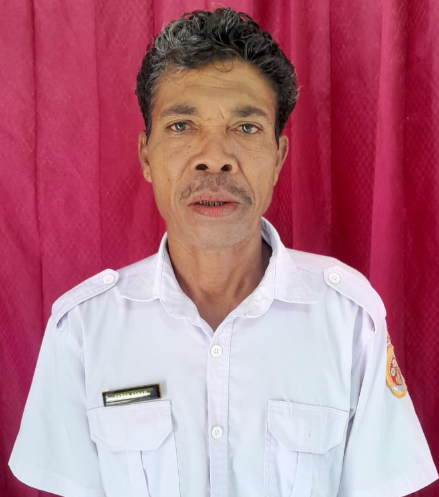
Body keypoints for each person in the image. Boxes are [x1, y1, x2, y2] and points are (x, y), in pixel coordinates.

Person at [9, 8, 438, 497]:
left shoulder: (350, 319)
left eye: (246, 128)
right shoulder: (83, 329)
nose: (214, 157)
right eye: (181, 126)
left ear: (278, 158)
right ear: (146, 155)